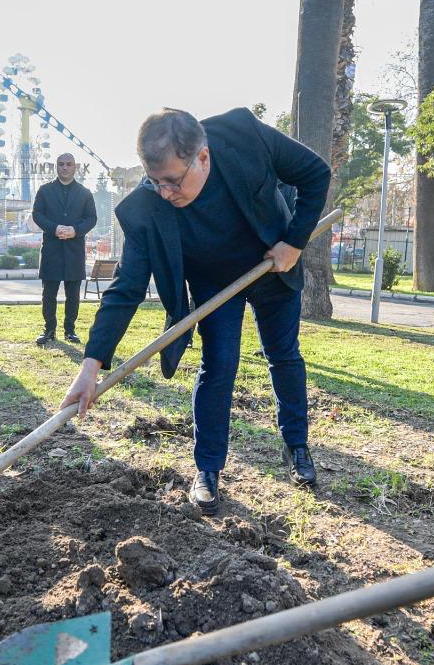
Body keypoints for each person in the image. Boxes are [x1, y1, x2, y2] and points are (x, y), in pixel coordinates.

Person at [62, 107, 329, 514]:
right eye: (155, 182)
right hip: (214, 283)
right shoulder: (145, 208)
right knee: (219, 364)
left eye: (172, 181)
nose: (165, 192)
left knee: (283, 355)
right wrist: (91, 364)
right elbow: (126, 289)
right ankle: (207, 470)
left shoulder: (243, 135)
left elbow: (315, 174)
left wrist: (294, 243)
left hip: (274, 263)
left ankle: (297, 446)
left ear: (202, 157)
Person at [32, 152, 97, 347]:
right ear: (56, 167)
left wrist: (75, 230)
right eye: (61, 164)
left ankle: (70, 330)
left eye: (68, 164)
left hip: (74, 250)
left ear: (75, 167)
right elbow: (37, 214)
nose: (65, 167)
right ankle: (49, 330)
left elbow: (92, 218)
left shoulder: (85, 192)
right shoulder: (44, 191)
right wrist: (54, 228)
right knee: (49, 293)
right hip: (52, 249)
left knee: (73, 294)